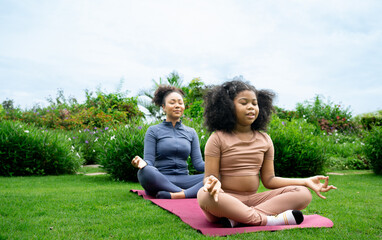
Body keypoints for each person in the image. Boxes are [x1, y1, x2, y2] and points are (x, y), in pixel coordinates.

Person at [197, 80, 336, 227]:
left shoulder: (265, 139)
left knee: (303, 193)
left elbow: (269, 180)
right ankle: (269, 220)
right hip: (226, 199)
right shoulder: (217, 138)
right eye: (244, 103)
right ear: (228, 107)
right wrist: (213, 182)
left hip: (255, 200)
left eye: (254, 103)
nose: (251, 107)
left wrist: (305, 181)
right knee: (203, 195)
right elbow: (208, 178)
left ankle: (239, 218)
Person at [131, 85, 205, 199]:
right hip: (161, 178)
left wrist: (221, 166)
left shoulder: (191, 132)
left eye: (180, 103)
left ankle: (176, 194)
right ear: (164, 107)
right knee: (144, 172)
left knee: (219, 176)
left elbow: (198, 164)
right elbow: (149, 162)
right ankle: (185, 193)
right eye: (172, 102)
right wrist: (142, 164)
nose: (177, 106)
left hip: (185, 179)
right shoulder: (153, 131)